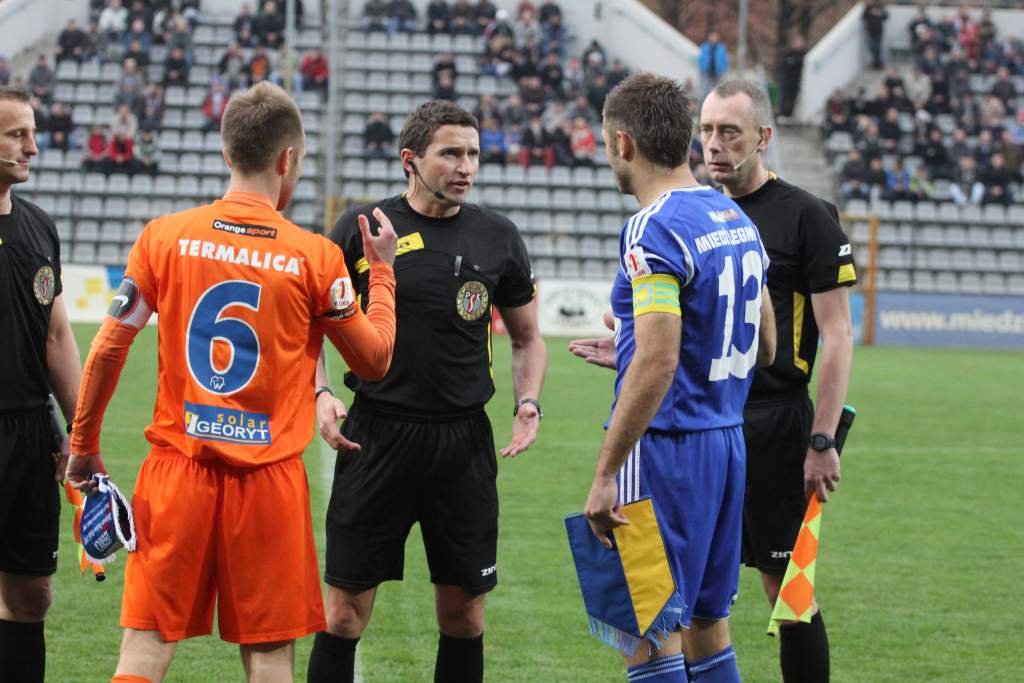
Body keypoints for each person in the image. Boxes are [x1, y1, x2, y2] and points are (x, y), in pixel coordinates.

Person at [64, 81, 400, 683]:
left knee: (142, 654)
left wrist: (83, 443)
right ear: (288, 159)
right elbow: (373, 362)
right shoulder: (314, 256)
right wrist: (382, 273)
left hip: (175, 475)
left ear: (226, 153)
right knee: (269, 660)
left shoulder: (162, 237)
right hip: (268, 484)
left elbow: (110, 344)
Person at [306, 99, 547, 683]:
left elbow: (528, 338)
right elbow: (307, 328)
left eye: (473, 154)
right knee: (342, 615)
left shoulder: (498, 237)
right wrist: (319, 393)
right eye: (451, 153)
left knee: (463, 616)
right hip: (375, 438)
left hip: (462, 444)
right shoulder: (361, 228)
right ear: (410, 159)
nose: (466, 167)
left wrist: (527, 403)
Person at [568, 73, 775, 683]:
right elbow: (763, 347)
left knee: (648, 634)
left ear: (623, 144)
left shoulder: (653, 227)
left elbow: (658, 362)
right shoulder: (733, 214)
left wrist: (606, 473)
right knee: (708, 628)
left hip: (663, 452)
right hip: (726, 446)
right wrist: (639, 352)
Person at [700, 79, 855, 683]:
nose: (713, 144)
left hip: (776, 423)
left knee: (785, 592)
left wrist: (821, 441)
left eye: (729, 132)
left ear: (763, 137)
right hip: (703, 416)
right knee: (685, 584)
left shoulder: (808, 216)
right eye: (707, 130)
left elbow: (837, 335)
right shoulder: (696, 209)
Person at [0, 86, 82, 683]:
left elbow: (55, 335)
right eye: (16, 135)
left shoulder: (38, 227)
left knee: (32, 597)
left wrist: (80, 429)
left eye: (31, 132)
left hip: (29, 433)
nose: (33, 146)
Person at [698, 31, 729, 98]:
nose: (713, 38)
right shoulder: (705, 47)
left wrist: (722, 69)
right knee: (704, 91)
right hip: (707, 72)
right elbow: (701, 59)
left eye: (715, 37)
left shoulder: (722, 48)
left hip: (718, 73)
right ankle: (703, 106)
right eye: (712, 37)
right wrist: (703, 68)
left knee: (719, 91)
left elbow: (725, 60)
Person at [862, 0, 888, 70]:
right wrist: (871, 13)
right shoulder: (868, 8)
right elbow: (864, 16)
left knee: (877, 48)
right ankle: (875, 63)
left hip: (879, 31)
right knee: (872, 48)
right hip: (870, 31)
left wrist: (879, 13)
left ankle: (877, 64)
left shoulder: (880, 6)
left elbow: (886, 16)